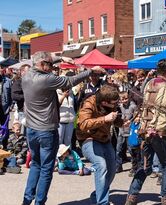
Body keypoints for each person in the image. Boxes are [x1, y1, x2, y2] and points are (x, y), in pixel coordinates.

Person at [21, 51, 104, 205]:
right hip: (46, 130)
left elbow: (44, 60)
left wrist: (60, 58)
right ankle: (39, 202)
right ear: (42, 65)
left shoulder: (26, 75)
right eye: (50, 65)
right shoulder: (46, 79)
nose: (52, 67)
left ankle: (26, 200)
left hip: (31, 129)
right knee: (46, 169)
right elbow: (69, 81)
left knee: (36, 165)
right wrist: (91, 71)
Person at [125, 59, 166, 205]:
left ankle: (132, 195)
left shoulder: (149, 83)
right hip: (160, 131)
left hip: (145, 129)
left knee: (145, 166)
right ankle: (165, 198)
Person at [77, 84, 123, 205]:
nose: (115, 105)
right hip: (88, 139)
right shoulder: (88, 104)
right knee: (101, 165)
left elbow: (115, 120)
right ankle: (102, 202)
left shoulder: (110, 104)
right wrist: (105, 119)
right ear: (104, 102)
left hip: (104, 139)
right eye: (113, 103)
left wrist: (123, 123)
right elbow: (83, 124)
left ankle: (96, 195)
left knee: (112, 169)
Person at [116, 91, 137, 173]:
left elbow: (136, 116)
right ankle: (118, 166)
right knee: (118, 150)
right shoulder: (119, 106)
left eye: (126, 98)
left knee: (131, 150)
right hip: (121, 131)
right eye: (122, 99)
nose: (124, 100)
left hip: (129, 131)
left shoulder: (133, 106)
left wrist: (130, 121)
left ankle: (134, 167)